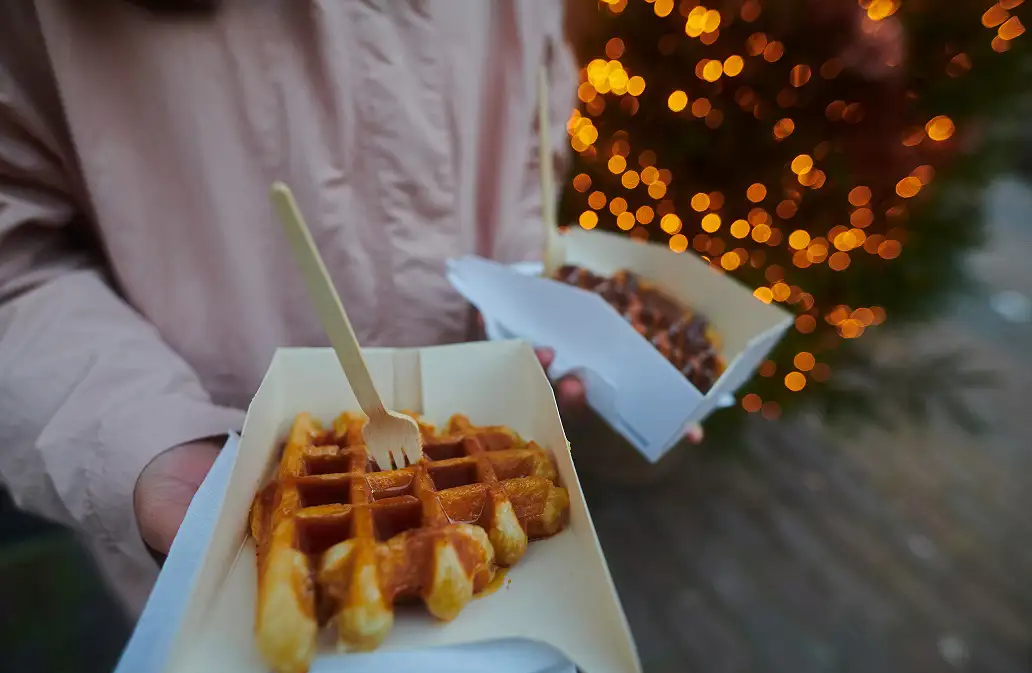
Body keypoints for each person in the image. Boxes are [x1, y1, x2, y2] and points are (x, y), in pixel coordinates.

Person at [0, 0, 705, 618]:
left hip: (515, 586)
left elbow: (528, 153)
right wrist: (143, 437)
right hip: (220, 534)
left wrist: (533, 320)